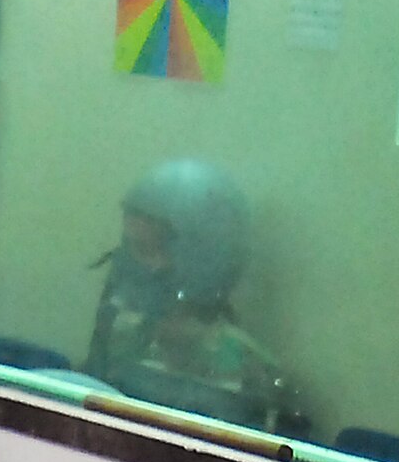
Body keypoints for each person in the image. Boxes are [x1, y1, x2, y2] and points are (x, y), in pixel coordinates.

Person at [84, 159, 305, 433]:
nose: (127, 267)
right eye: (129, 249)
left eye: (146, 251)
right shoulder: (120, 338)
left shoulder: (257, 380)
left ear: (203, 259)